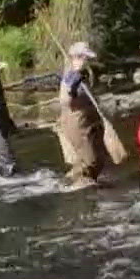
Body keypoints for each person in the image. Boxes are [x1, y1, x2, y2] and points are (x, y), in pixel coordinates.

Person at [56, 42, 109, 185]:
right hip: (76, 122)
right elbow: (66, 99)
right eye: (86, 58)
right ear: (79, 57)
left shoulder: (82, 74)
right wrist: (74, 84)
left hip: (88, 121)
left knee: (99, 159)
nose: (88, 61)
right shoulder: (71, 75)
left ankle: (85, 181)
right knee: (89, 160)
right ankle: (70, 183)